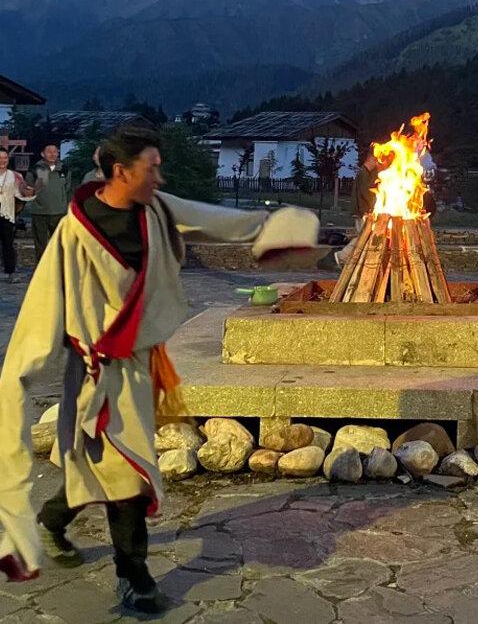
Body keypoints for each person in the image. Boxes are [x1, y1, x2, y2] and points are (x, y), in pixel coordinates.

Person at [0, 127, 318, 610]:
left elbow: (218, 220)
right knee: (126, 471)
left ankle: (54, 516)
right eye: (152, 167)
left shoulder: (158, 210)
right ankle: (135, 576)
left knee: (105, 462)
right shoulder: (74, 231)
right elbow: (44, 306)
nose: (159, 175)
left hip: (141, 363)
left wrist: (280, 229)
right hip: (96, 370)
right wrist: (19, 370)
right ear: (121, 171)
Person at [25, 143, 71, 263]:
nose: (52, 154)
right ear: (42, 154)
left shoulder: (64, 169)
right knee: (41, 245)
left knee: (60, 244)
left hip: (59, 212)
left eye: (55, 151)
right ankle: (41, 270)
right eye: (49, 151)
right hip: (39, 212)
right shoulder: (37, 169)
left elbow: (67, 187)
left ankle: (59, 270)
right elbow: (29, 187)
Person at [335, 154, 379, 266]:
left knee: (364, 236)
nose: (377, 163)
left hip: (362, 210)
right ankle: (343, 256)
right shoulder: (363, 173)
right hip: (363, 211)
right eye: (376, 161)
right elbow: (366, 193)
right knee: (363, 236)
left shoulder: (365, 173)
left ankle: (351, 259)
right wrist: (373, 208)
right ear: (371, 160)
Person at [0, 149, 35, 283]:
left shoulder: (14, 176)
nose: (2, 161)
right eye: (0, 158)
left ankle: (10, 273)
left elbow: (19, 194)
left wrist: (29, 194)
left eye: (5, 158)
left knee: (8, 245)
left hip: (7, 214)